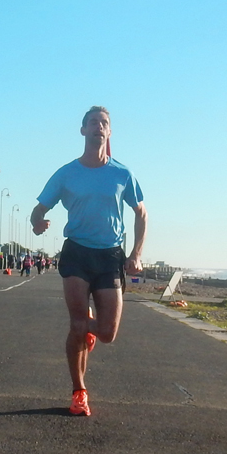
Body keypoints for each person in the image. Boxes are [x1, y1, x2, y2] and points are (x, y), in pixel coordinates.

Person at [31, 106, 146, 418]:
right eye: (93, 122)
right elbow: (39, 209)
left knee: (107, 333)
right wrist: (37, 222)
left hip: (110, 256)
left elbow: (141, 213)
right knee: (76, 324)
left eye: (104, 123)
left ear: (109, 133)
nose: (99, 127)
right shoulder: (67, 173)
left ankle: (89, 329)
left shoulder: (122, 173)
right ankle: (78, 390)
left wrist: (135, 254)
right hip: (77, 253)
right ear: (83, 130)